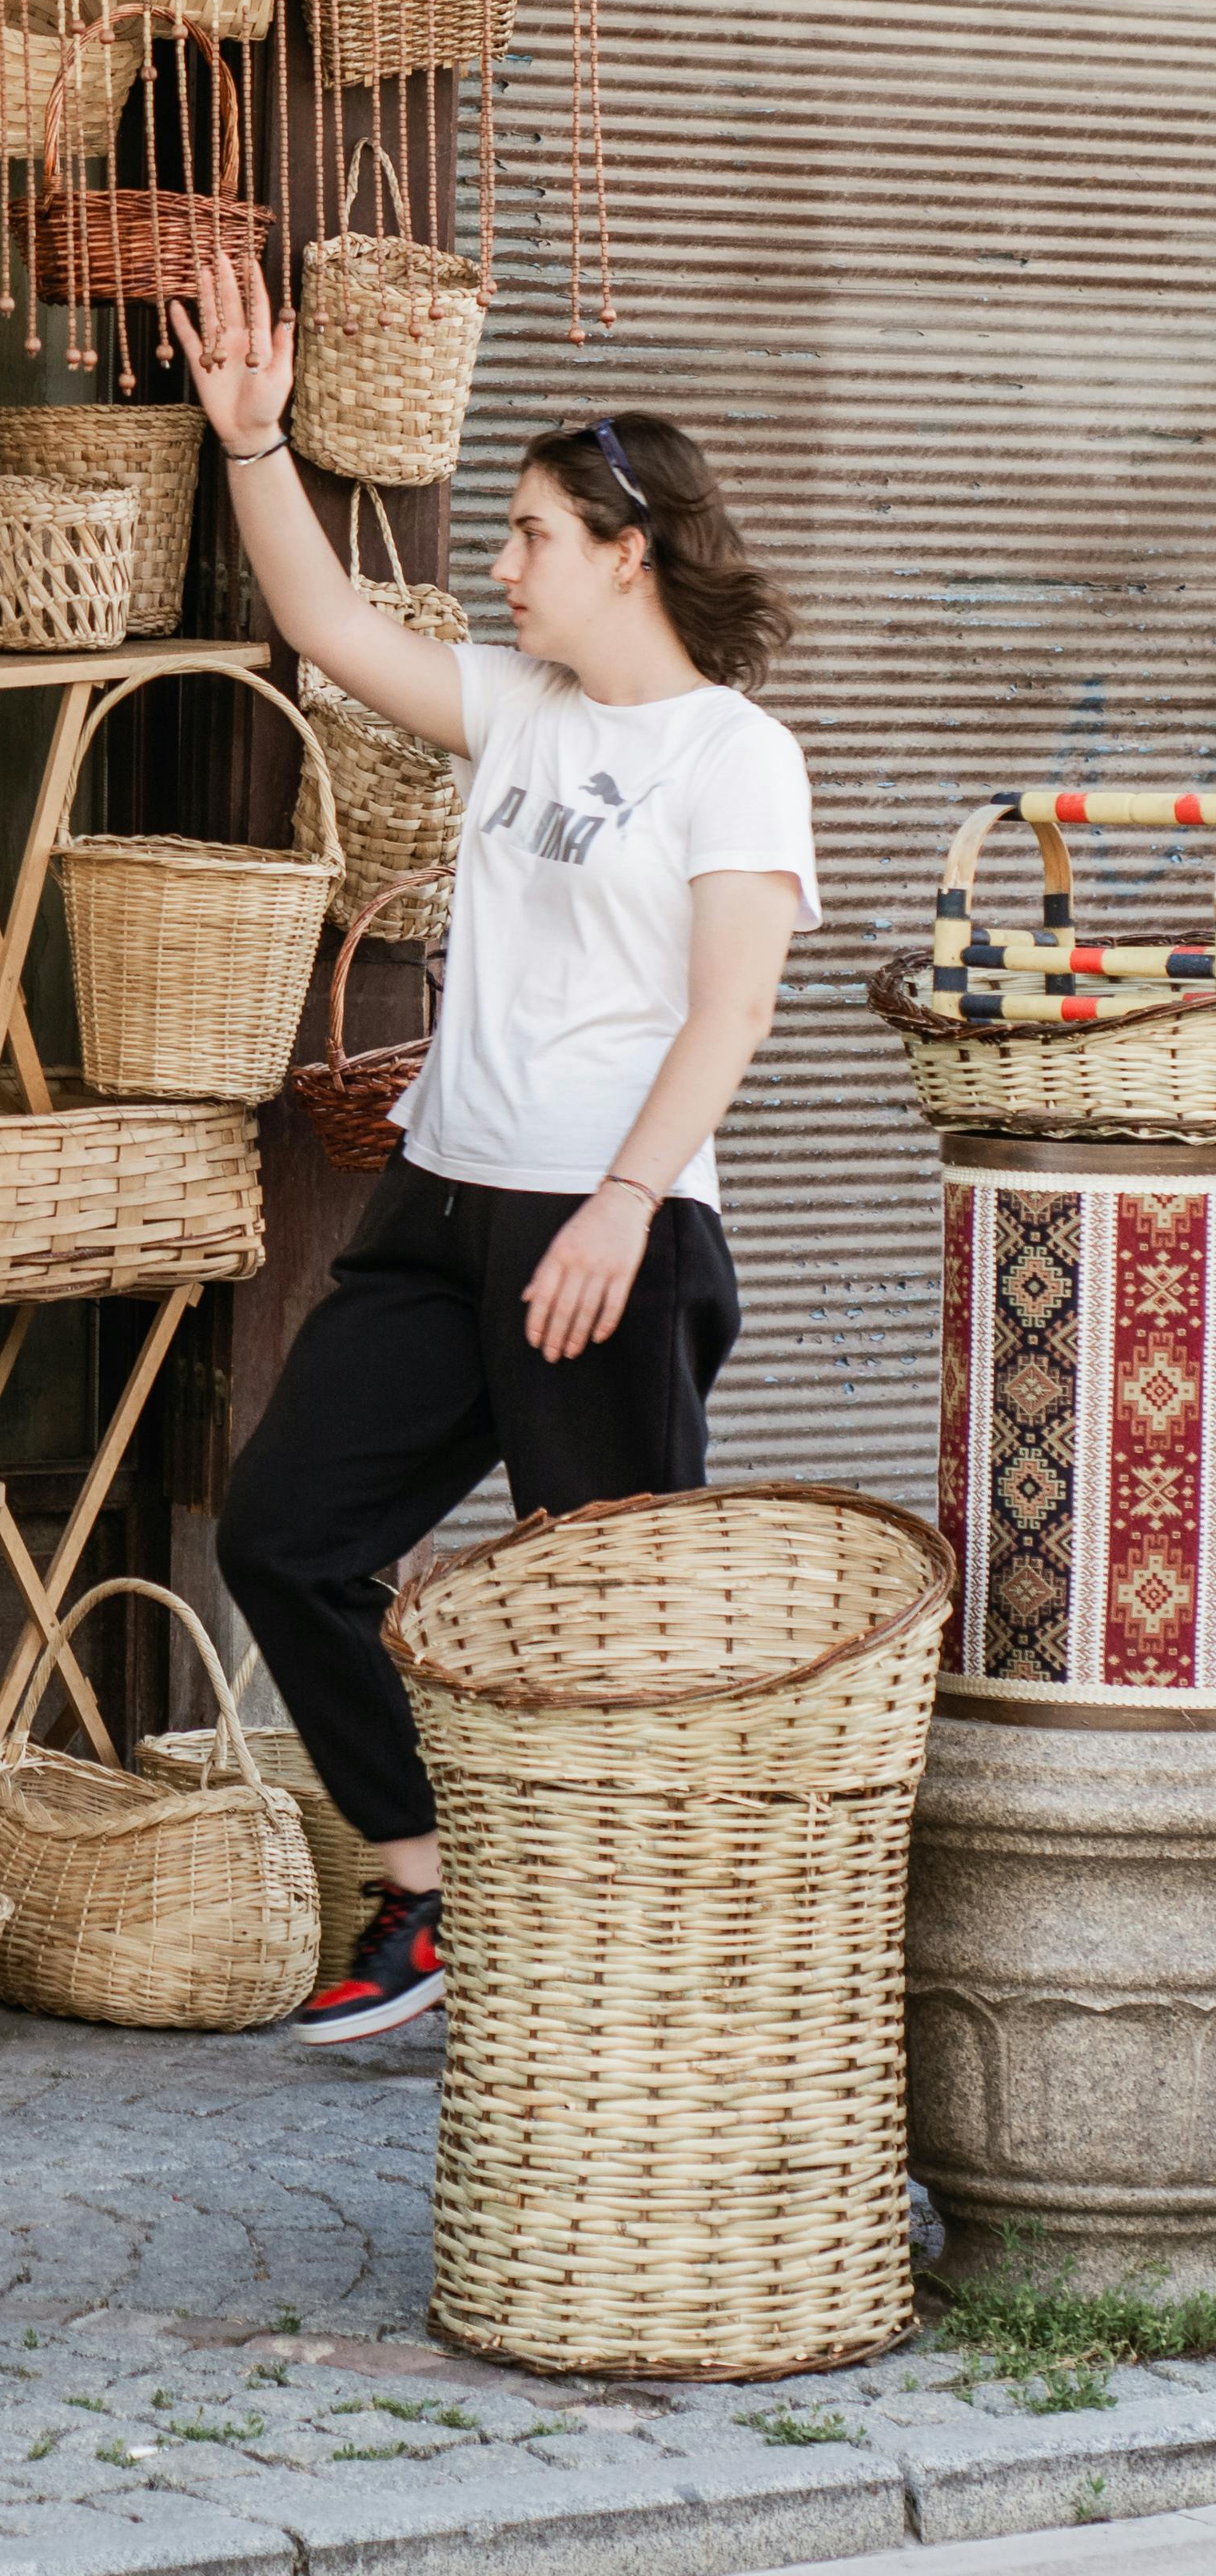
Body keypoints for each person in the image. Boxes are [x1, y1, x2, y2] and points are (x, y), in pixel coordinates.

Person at [178, 259, 815, 2049]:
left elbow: (730, 1012)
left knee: (606, 1627)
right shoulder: (520, 711)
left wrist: (620, 1203)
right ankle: (424, 1885)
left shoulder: (731, 756)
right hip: (439, 1204)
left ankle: (648, 2000)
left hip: (607, 1233)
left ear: (629, 550)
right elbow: (318, 621)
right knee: (287, 1531)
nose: (503, 563)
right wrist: (253, 443)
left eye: (531, 533)